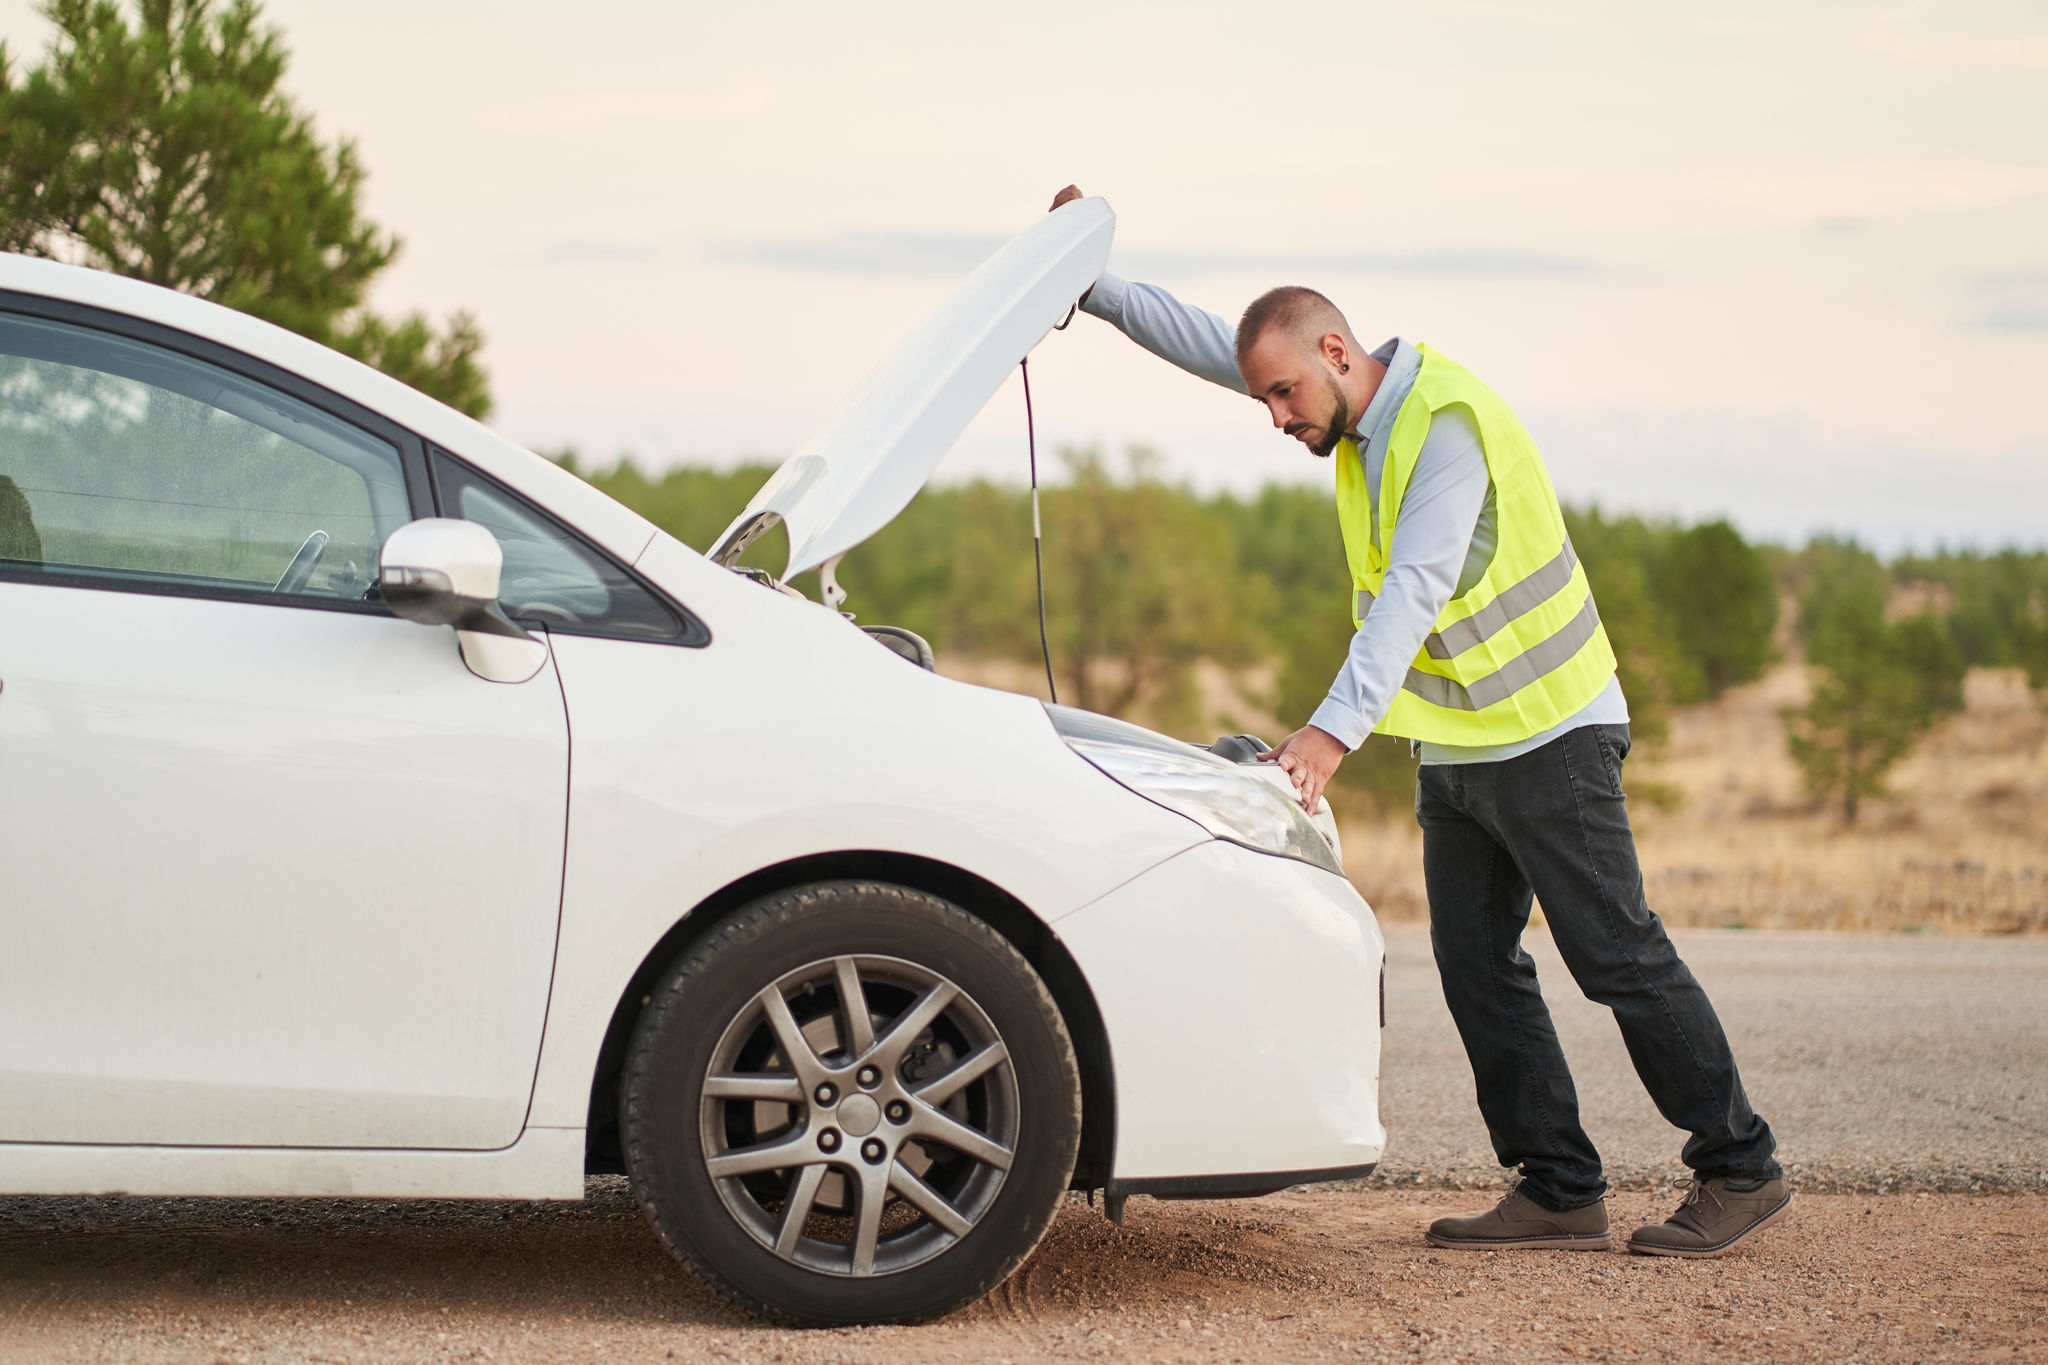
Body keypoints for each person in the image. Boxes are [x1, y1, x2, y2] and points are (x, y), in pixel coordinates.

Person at [1050, 185, 1790, 1257]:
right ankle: (1558, 1184)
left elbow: (1414, 587)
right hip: (1459, 743)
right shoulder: (1335, 398)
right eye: (1261, 398)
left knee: (1614, 957)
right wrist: (1093, 285)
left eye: (1283, 394)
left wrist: (1327, 733)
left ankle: (1739, 1166)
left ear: (1339, 352)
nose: (1272, 418)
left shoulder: (1442, 426)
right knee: (1475, 962)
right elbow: (1218, 341)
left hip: (1550, 731)